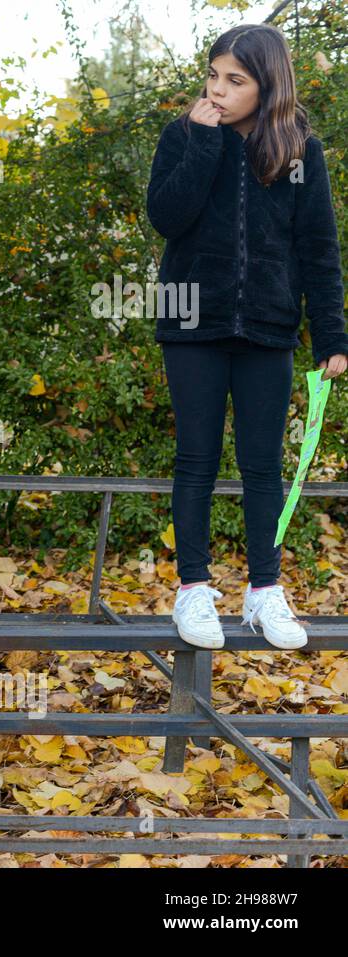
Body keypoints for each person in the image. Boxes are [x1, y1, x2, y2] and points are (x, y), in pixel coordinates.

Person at [146, 23, 348, 650]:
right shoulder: (182, 136)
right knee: (197, 461)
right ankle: (193, 590)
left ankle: (264, 591)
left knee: (263, 465)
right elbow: (167, 216)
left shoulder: (297, 151)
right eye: (213, 76)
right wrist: (204, 142)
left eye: (235, 81)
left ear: (268, 86)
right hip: (190, 321)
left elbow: (318, 248)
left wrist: (331, 335)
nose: (219, 89)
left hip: (268, 326)